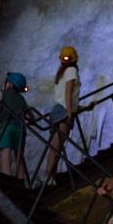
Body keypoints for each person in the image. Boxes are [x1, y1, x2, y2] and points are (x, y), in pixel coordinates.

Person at [43, 45, 80, 186]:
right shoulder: (72, 70)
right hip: (64, 111)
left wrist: (84, 107)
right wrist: (70, 112)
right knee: (57, 146)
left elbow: (63, 97)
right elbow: (68, 92)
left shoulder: (61, 72)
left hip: (57, 110)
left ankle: (50, 177)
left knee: (54, 145)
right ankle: (48, 176)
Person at [0, 72, 33, 181]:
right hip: (20, 130)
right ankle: (21, 179)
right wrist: (32, 119)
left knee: (5, 154)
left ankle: (7, 178)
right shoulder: (22, 99)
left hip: (6, 128)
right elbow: (30, 116)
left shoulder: (2, 93)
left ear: (10, 84)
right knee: (19, 156)